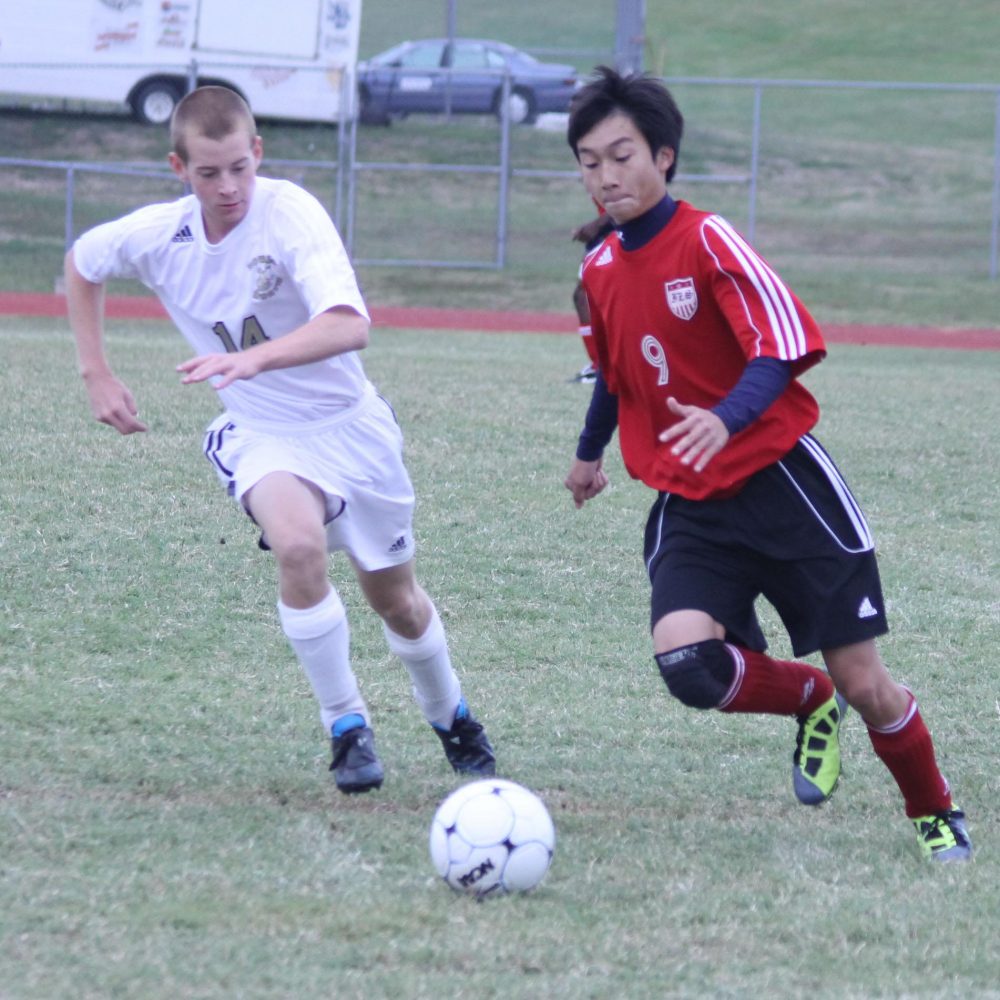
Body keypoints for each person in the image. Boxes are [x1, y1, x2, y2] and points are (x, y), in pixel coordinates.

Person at [563, 67, 971, 862]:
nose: (607, 176)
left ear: (665, 156)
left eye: (622, 155)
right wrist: (587, 456)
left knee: (866, 681)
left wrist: (724, 418)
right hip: (693, 498)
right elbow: (615, 375)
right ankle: (808, 700)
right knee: (688, 664)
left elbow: (778, 345)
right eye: (589, 161)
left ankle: (932, 808)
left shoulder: (708, 238)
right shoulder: (599, 269)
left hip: (785, 484)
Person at [65, 86, 495, 794]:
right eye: (209, 173)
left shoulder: (289, 213)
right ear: (179, 168)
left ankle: (450, 715)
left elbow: (349, 324)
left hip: (352, 433)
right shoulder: (160, 238)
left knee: (399, 602)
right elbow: (83, 263)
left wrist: (252, 358)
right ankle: (346, 727)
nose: (229, 187)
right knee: (296, 546)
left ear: (257, 152)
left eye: (240, 166)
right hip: (263, 434)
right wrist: (96, 373)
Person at [569, 208, 615, 383]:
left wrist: (597, 224)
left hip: (616, 230)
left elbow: (634, 196)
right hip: (608, 230)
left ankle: (600, 367)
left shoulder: (607, 180)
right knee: (582, 295)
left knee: (586, 295)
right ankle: (599, 365)